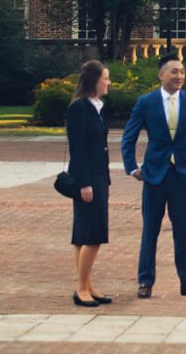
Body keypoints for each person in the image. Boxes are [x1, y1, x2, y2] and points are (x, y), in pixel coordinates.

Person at [121, 53, 186, 298]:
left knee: (183, 231)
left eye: (182, 72)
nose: (179, 76)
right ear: (161, 75)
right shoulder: (146, 102)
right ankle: (145, 281)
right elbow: (128, 138)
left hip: (183, 175)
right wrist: (132, 167)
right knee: (150, 230)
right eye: (174, 71)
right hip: (154, 176)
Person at [66, 60, 112, 307]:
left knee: (84, 235)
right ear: (94, 81)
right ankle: (81, 288)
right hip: (88, 179)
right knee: (92, 235)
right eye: (105, 78)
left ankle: (87, 284)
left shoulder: (97, 107)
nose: (109, 82)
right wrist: (84, 183)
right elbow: (78, 149)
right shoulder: (79, 108)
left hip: (99, 177)